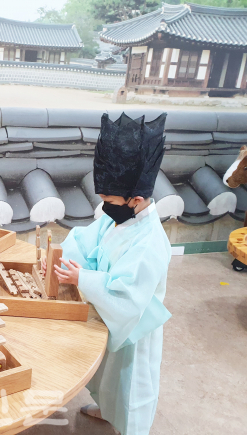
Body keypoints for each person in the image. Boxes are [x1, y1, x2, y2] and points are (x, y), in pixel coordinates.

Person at [43, 112, 171, 435]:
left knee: (129, 385)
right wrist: (60, 262)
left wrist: (83, 279)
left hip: (132, 328)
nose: (105, 206)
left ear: (135, 200)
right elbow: (87, 242)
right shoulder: (120, 217)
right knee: (107, 377)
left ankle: (127, 426)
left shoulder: (150, 243)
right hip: (110, 316)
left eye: (109, 200)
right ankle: (106, 408)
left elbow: (126, 298)